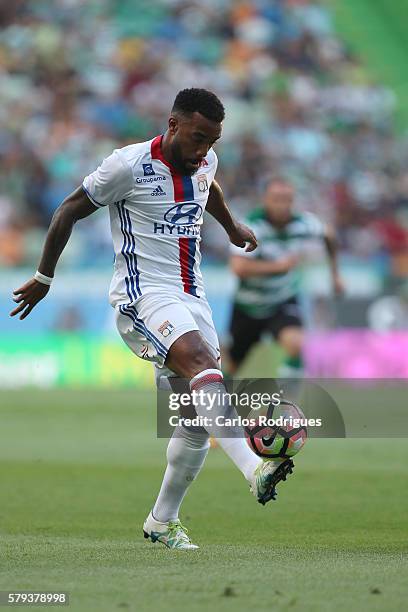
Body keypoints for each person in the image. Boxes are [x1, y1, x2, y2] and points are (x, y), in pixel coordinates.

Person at [10, 89, 295, 550]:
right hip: (142, 296)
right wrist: (44, 277)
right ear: (174, 124)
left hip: (191, 295)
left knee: (195, 415)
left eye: (213, 141)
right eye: (198, 138)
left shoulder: (205, 159)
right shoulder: (127, 166)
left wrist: (231, 225)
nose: (204, 150)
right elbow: (67, 211)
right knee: (205, 366)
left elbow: (209, 186)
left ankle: (162, 520)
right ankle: (254, 466)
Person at [227, 176, 344, 378]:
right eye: (276, 199)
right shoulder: (251, 226)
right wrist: (277, 267)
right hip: (248, 306)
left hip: (282, 300)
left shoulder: (302, 223)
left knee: (295, 343)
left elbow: (329, 235)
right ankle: (212, 405)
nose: (282, 205)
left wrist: (335, 275)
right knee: (232, 366)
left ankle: (286, 407)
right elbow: (238, 267)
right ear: (265, 199)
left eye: (287, 199)